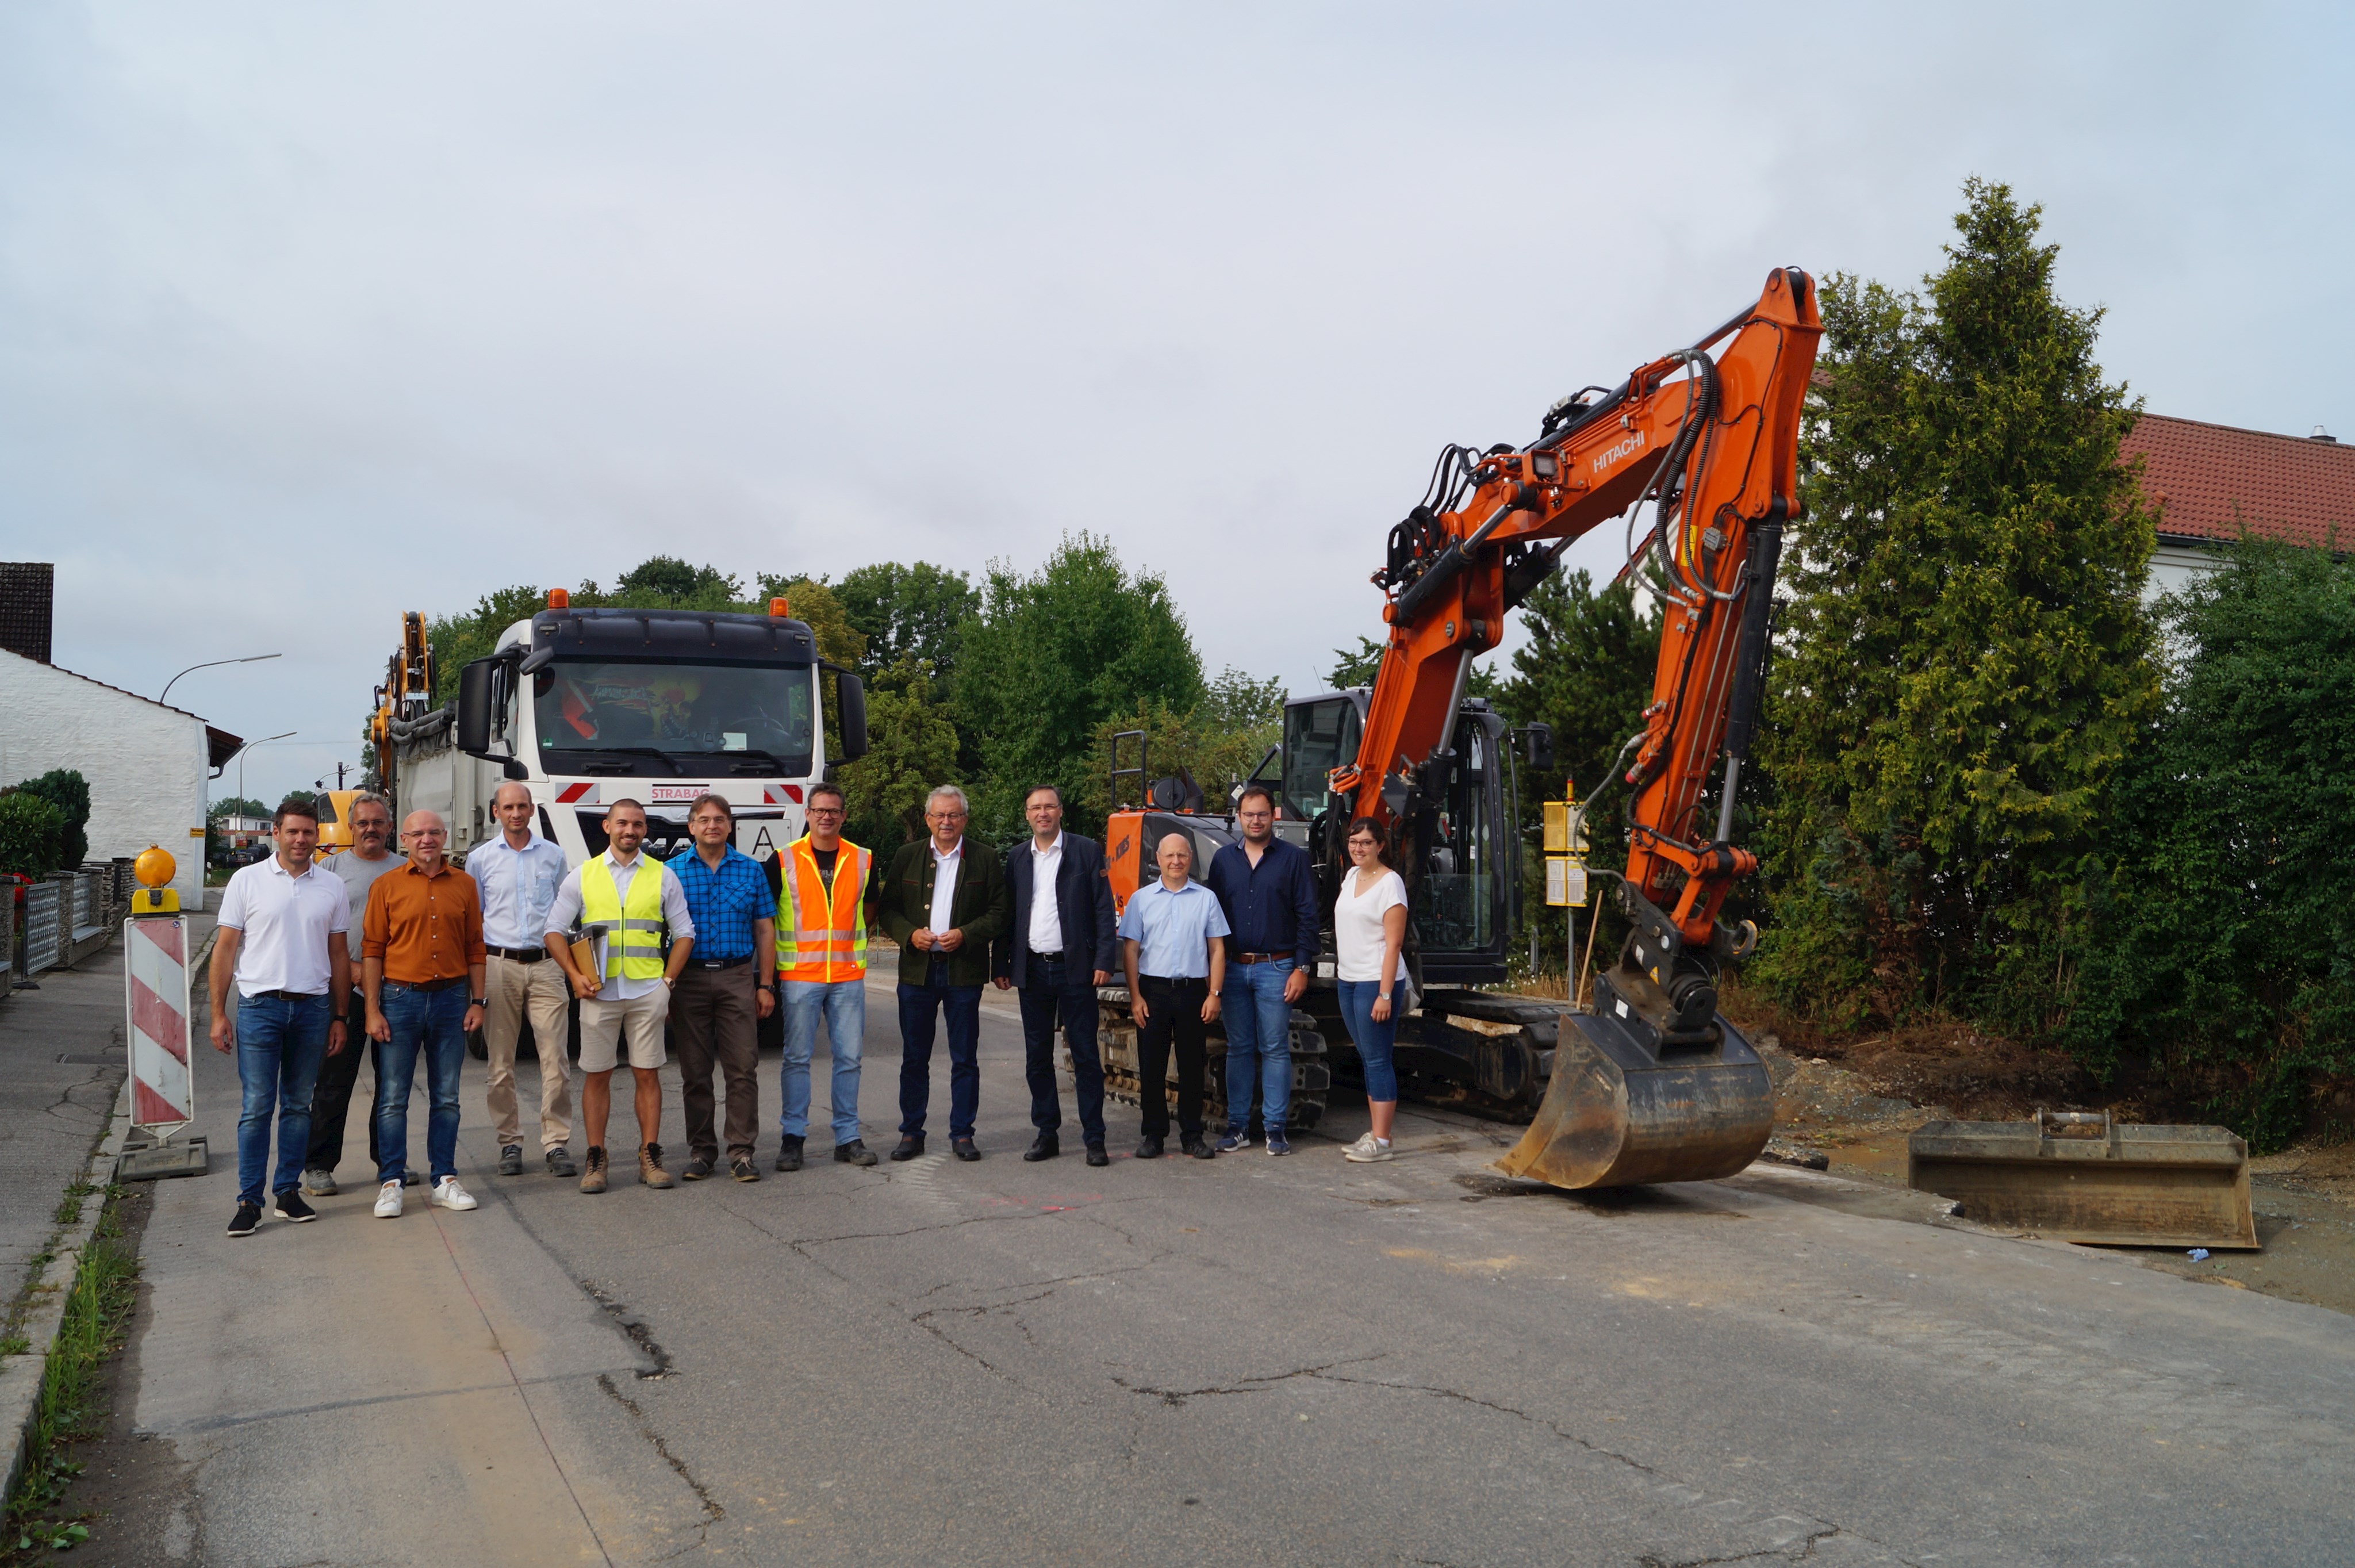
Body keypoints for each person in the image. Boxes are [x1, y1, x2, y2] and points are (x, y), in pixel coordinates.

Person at [209, 795, 351, 1238]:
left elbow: (339, 955)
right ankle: (249, 1200)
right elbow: (225, 949)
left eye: (309, 832)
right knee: (256, 1107)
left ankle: (287, 1193)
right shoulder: (247, 881)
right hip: (260, 1008)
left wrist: (340, 1015)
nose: (301, 839)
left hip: (312, 1008)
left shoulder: (331, 887)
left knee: (297, 1105)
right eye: (292, 831)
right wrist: (218, 1013)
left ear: (317, 836)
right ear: (276, 833)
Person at [545, 799, 696, 1193]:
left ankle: (650, 1155)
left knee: (648, 1074)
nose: (631, 830)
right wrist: (575, 976)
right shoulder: (583, 875)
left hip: (648, 990)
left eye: (638, 824)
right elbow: (553, 930)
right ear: (608, 825)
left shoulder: (663, 876)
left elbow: (685, 934)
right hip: (598, 992)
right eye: (623, 823)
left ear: (646, 830)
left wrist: (667, 983)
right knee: (597, 1075)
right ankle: (596, 1159)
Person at [362, 810, 487, 1218]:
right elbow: (373, 950)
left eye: (434, 832)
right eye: (418, 833)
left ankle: (445, 1179)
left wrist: (477, 1000)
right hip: (400, 999)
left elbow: (475, 947)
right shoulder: (385, 886)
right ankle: (392, 1181)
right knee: (393, 1096)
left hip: (452, 998)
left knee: (447, 1096)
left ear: (445, 836)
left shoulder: (465, 885)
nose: (427, 839)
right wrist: (372, 1010)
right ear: (404, 838)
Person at [876, 784, 1008, 1162]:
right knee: (914, 1057)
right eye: (940, 815)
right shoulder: (907, 855)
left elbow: (1000, 912)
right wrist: (909, 934)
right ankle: (911, 1133)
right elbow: (889, 909)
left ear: (965, 818)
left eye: (954, 815)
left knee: (964, 1057)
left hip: (963, 973)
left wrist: (966, 934)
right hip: (916, 973)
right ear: (928, 818)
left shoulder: (984, 858)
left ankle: (963, 1134)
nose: (947, 821)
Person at [992, 784, 1116, 1167]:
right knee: (1037, 1058)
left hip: (1076, 968)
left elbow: (1102, 909)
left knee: (1086, 1054)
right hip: (1032, 969)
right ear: (1026, 814)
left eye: (1049, 806)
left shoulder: (1085, 851)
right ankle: (1047, 1133)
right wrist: (1001, 964)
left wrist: (1104, 960)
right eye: (1035, 807)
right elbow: (1007, 915)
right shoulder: (1016, 858)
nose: (1042, 813)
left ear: (1061, 811)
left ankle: (1095, 1137)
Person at [467, 781, 576, 1179]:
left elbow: (564, 912)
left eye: (522, 806)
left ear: (532, 810)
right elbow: (474, 920)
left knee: (556, 1059)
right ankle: (510, 1141)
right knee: (500, 1063)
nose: (516, 813)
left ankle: (556, 1143)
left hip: (547, 964)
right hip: (499, 965)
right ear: (496, 812)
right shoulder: (479, 860)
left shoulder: (554, 856)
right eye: (508, 807)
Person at [1203, 784, 1319, 1156]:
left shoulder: (1293, 859)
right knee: (1239, 1047)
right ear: (1239, 817)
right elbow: (1211, 918)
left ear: (1275, 816)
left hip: (1277, 967)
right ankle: (1237, 1126)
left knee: (1274, 1048)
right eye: (1249, 814)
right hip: (1234, 968)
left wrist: (1302, 967)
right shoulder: (1223, 861)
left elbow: (1307, 916)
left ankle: (1275, 1128)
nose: (1256, 820)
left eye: (1262, 814)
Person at [301, 792, 408, 1195]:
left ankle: (390, 1163)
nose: (370, 829)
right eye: (362, 823)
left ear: (390, 828)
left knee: (392, 1085)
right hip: (343, 992)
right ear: (351, 827)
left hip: (395, 993)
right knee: (333, 1082)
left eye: (378, 822)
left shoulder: (406, 869)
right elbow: (315, 930)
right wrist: (353, 969)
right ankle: (319, 1165)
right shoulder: (328, 870)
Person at [773, 782, 879, 1171]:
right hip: (800, 975)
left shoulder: (863, 858)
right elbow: (767, 920)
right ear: (807, 813)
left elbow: (870, 908)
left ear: (844, 815)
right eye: (819, 810)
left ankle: (847, 1137)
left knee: (849, 1058)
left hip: (848, 975)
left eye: (834, 810)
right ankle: (793, 1137)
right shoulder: (783, 859)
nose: (826, 816)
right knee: (797, 1058)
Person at [670, 793, 773, 1182]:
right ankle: (701, 1151)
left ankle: (742, 1151)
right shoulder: (671, 871)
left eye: (720, 819)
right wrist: (664, 985)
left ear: (730, 826)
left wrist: (765, 983)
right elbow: (661, 929)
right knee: (695, 1070)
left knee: (742, 1068)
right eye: (704, 819)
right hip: (689, 980)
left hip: (736, 977)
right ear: (691, 826)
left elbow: (765, 928)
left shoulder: (751, 870)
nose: (712, 825)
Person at [1118, 831, 1228, 1160]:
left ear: (1190, 859)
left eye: (1182, 855)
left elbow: (1217, 949)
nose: (1176, 861)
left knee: (1193, 1066)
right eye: (1170, 856)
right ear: (1158, 860)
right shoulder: (1141, 899)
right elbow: (1131, 951)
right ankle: (1153, 1135)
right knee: (1152, 1066)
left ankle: (1192, 1135)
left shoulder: (1206, 899)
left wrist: (1214, 994)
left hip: (1194, 991)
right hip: (1154, 991)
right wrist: (1135, 997)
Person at [1333, 816, 1409, 1163]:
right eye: (1354, 842)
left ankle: (1382, 1141)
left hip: (1374, 982)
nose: (1358, 848)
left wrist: (1385, 994)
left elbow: (1393, 945)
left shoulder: (1390, 884)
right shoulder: (1351, 877)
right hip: (1347, 979)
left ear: (1380, 845)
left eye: (1366, 843)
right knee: (1366, 1057)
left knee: (1378, 1059)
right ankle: (1376, 1132)